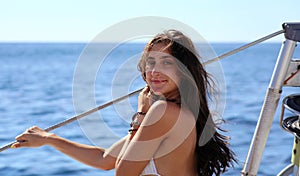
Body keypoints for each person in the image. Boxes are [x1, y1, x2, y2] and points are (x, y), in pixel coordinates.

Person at [12, 29, 236, 175]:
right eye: (150, 62)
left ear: (184, 70)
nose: (154, 71)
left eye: (167, 62)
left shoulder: (163, 112)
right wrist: (49, 139)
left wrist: (140, 113)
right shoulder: (176, 112)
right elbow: (105, 160)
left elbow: (123, 173)